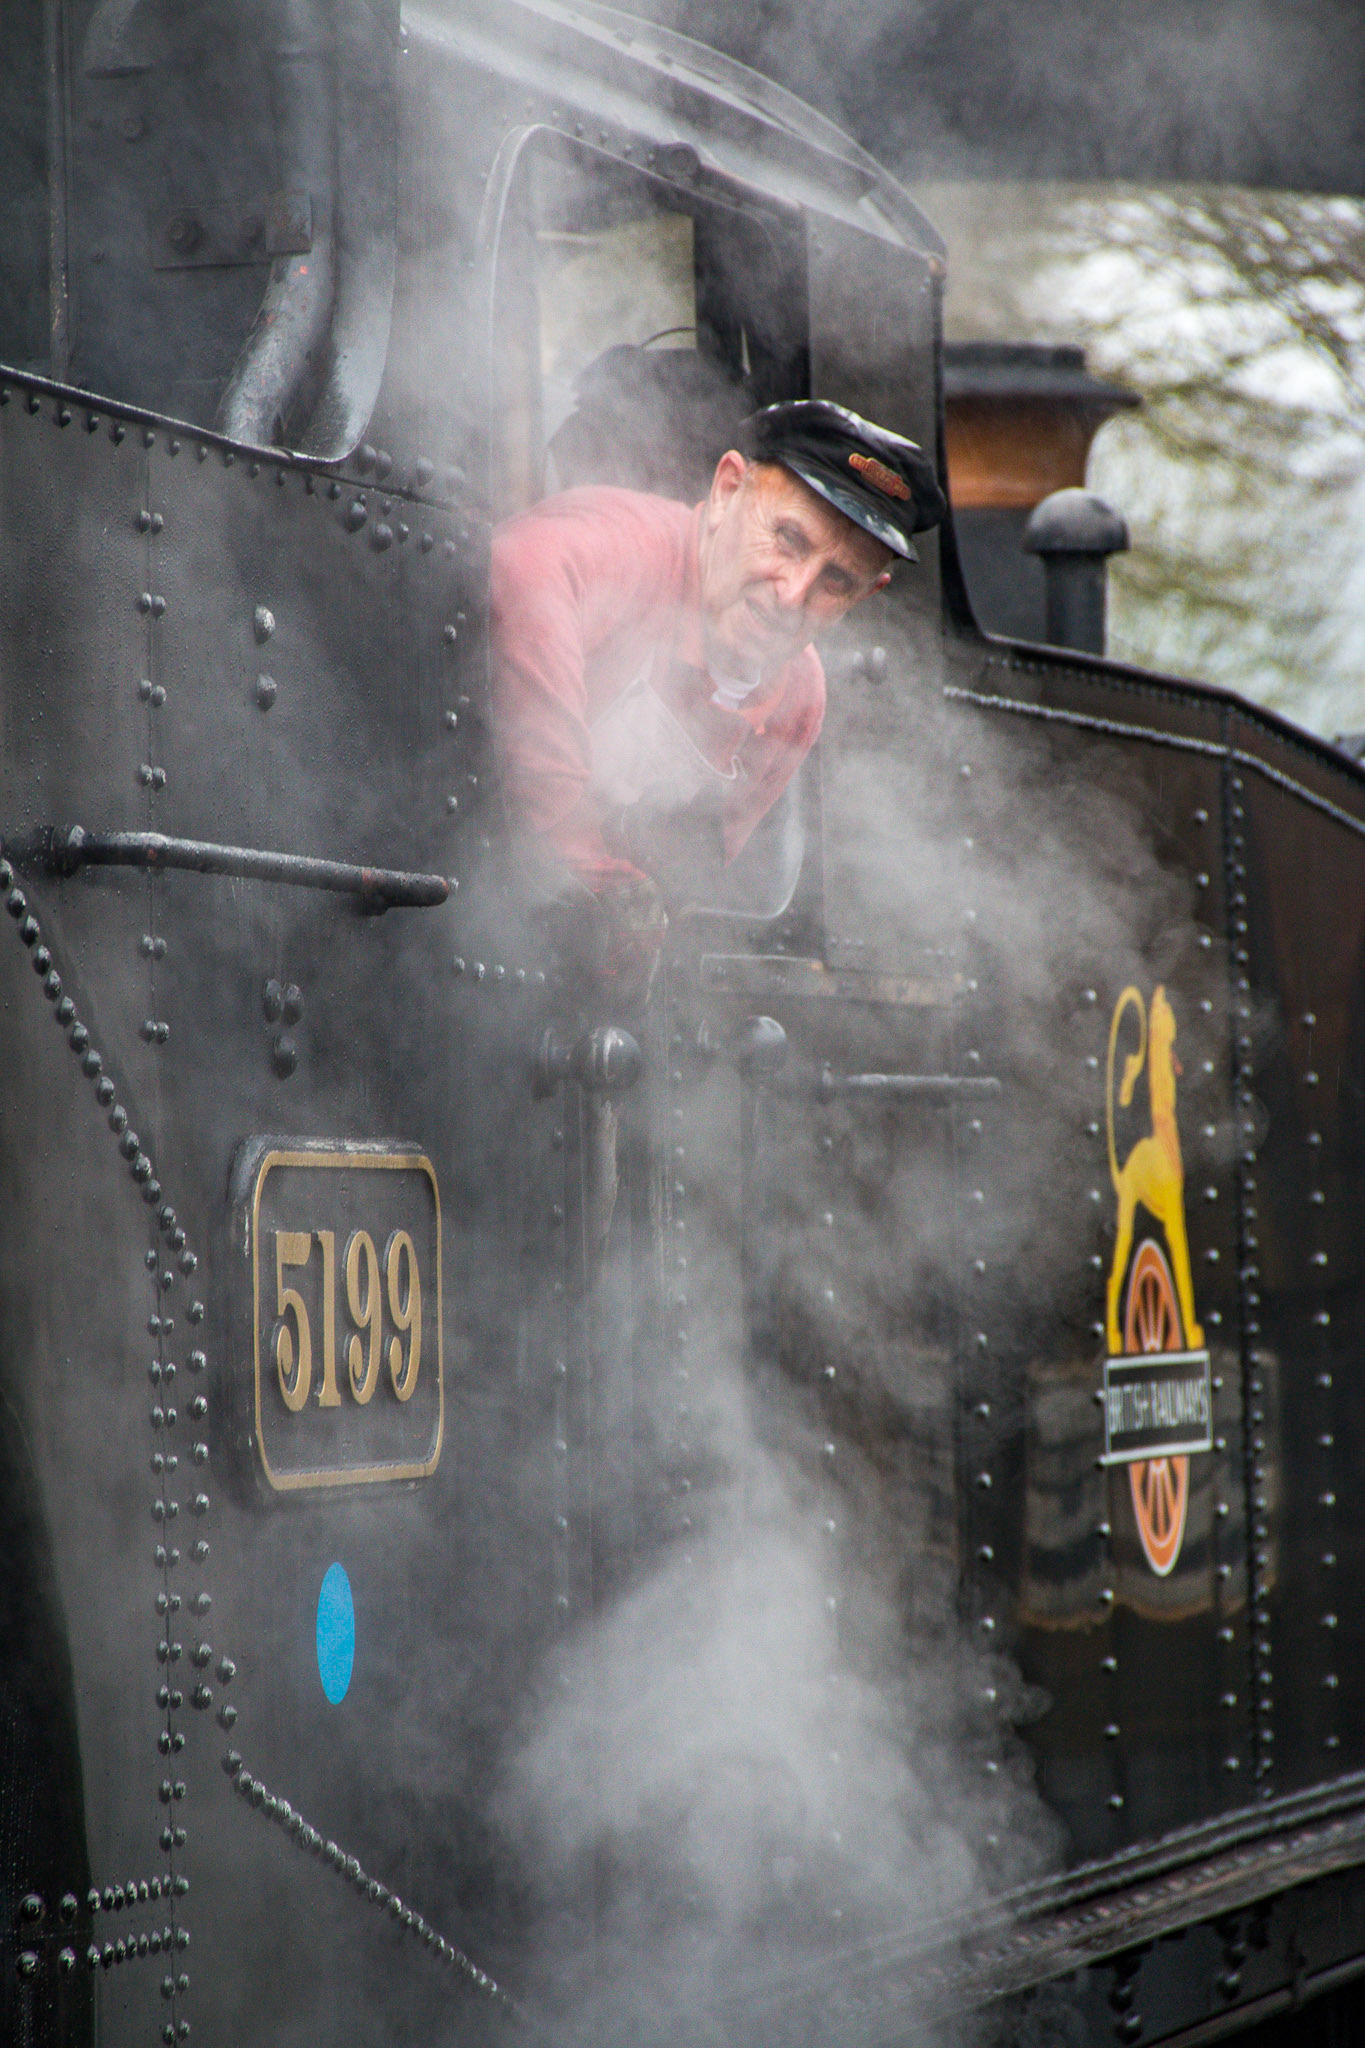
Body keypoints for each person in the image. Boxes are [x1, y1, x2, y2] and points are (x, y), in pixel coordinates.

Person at [490, 398, 946, 975]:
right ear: (728, 490)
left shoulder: (798, 699)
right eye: (789, 539)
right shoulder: (624, 547)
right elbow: (518, 568)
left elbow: (693, 876)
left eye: (835, 580)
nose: (791, 594)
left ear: (865, 594)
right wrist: (578, 855)